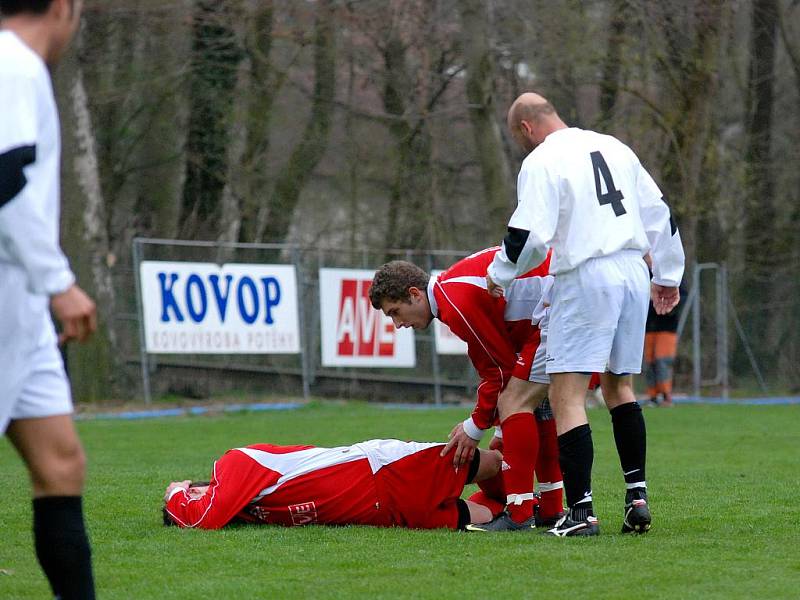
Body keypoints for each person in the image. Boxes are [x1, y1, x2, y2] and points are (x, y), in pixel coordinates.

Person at [486, 92, 684, 536]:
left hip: (585, 273)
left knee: (567, 395)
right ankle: (637, 497)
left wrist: (500, 273)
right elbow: (660, 214)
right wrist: (668, 275)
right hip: (634, 270)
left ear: (526, 128)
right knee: (620, 387)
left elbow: (528, 233)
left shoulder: (541, 160)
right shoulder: (616, 147)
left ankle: (581, 512)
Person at [0, 0, 97, 596]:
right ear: (64, 7)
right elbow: (5, 183)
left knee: (61, 464)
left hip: (22, 310)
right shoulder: (12, 65)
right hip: (14, 296)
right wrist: (60, 282)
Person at [369, 248, 564, 532]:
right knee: (535, 406)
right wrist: (496, 426)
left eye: (395, 312)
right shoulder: (452, 292)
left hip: (561, 306)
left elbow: (500, 369)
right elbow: (494, 363)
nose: (398, 324)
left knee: (515, 401)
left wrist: (475, 428)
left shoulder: (455, 300)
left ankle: (521, 513)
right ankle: (550, 507)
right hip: (564, 300)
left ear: (415, 294)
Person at [163, 439, 503, 530]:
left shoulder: (235, 463)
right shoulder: (248, 512)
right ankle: (530, 506)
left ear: (195, 489)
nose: (194, 499)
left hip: (382, 469)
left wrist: (174, 494)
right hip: (382, 513)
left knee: (492, 464)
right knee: (486, 518)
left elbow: (203, 518)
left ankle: (543, 488)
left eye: (192, 494)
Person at [644, 282, 686, 407]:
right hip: (649, 327)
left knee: (663, 361)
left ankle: (666, 395)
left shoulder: (673, 274)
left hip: (667, 327)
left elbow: (682, 296)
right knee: (649, 362)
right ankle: (653, 396)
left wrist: (668, 307)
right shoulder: (644, 272)